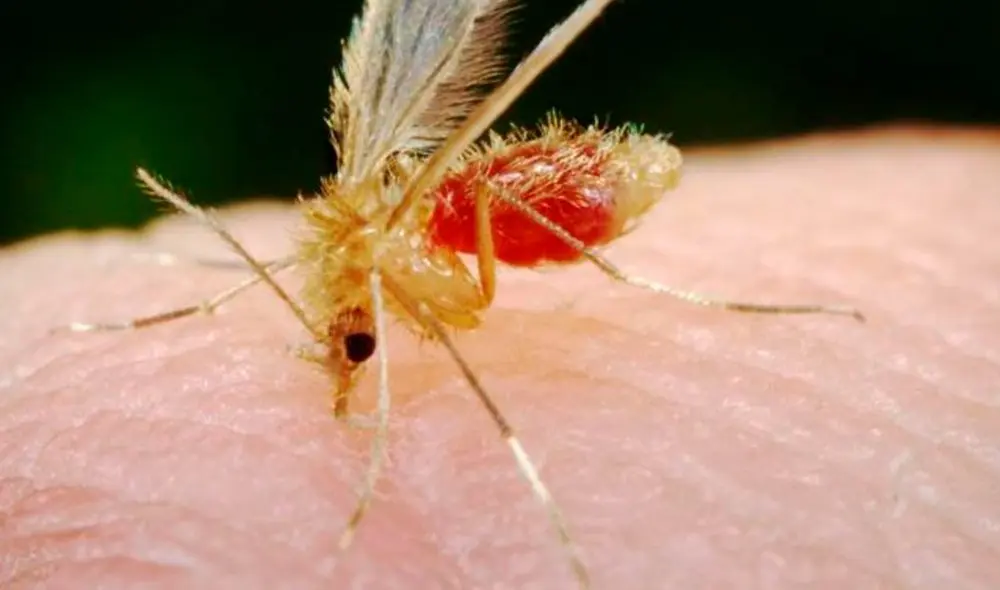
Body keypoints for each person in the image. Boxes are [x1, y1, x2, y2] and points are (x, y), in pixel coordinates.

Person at [2, 128, 997, 588]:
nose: (359, 347)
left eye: (357, 344)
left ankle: (645, 310)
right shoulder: (364, 269)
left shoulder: (407, 261)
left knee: (465, 253)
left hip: (551, 193)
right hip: (481, 207)